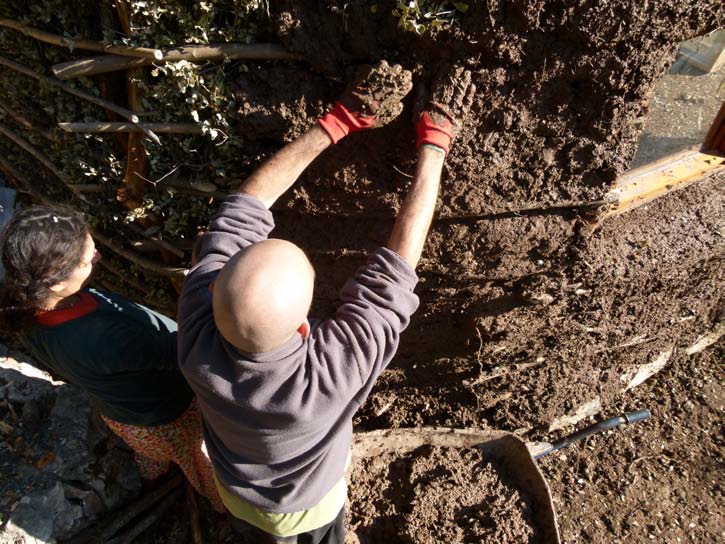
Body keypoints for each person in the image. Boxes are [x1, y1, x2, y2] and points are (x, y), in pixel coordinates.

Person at [178, 61, 475, 542]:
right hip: (308, 509)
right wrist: (434, 147)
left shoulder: (194, 328)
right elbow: (395, 274)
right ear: (304, 329)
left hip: (235, 492)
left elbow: (241, 212)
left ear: (214, 287)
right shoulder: (327, 380)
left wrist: (336, 123)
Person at [0, 206, 223, 511]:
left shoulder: (23, 306)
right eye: (87, 258)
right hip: (166, 414)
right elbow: (182, 353)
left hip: (123, 415)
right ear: (56, 283)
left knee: (150, 453)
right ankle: (219, 502)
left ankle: (153, 477)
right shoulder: (100, 338)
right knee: (200, 462)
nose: (98, 257)